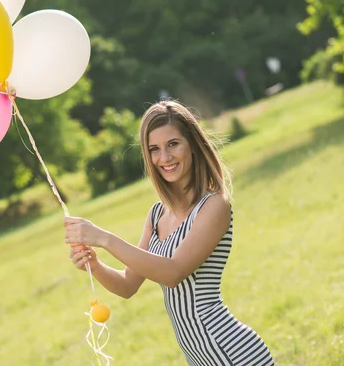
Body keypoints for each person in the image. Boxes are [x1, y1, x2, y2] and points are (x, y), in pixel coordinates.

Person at [64, 100, 274, 366]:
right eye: (154, 149)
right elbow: (128, 285)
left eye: (173, 144)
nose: (164, 158)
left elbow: (173, 273)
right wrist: (95, 265)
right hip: (199, 358)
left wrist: (104, 238)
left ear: (193, 145)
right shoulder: (156, 215)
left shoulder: (214, 206)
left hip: (230, 351)